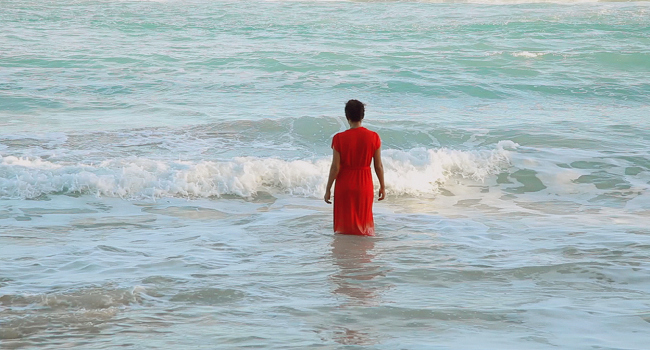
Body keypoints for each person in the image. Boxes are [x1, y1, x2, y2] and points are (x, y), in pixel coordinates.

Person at [324, 100, 385, 236]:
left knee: (344, 228)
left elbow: (335, 167)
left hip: (344, 184)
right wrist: (382, 186)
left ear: (347, 116)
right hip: (364, 184)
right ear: (362, 116)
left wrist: (328, 188)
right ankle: (362, 254)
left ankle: (344, 254)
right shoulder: (374, 137)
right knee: (364, 228)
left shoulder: (339, 138)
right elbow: (378, 166)